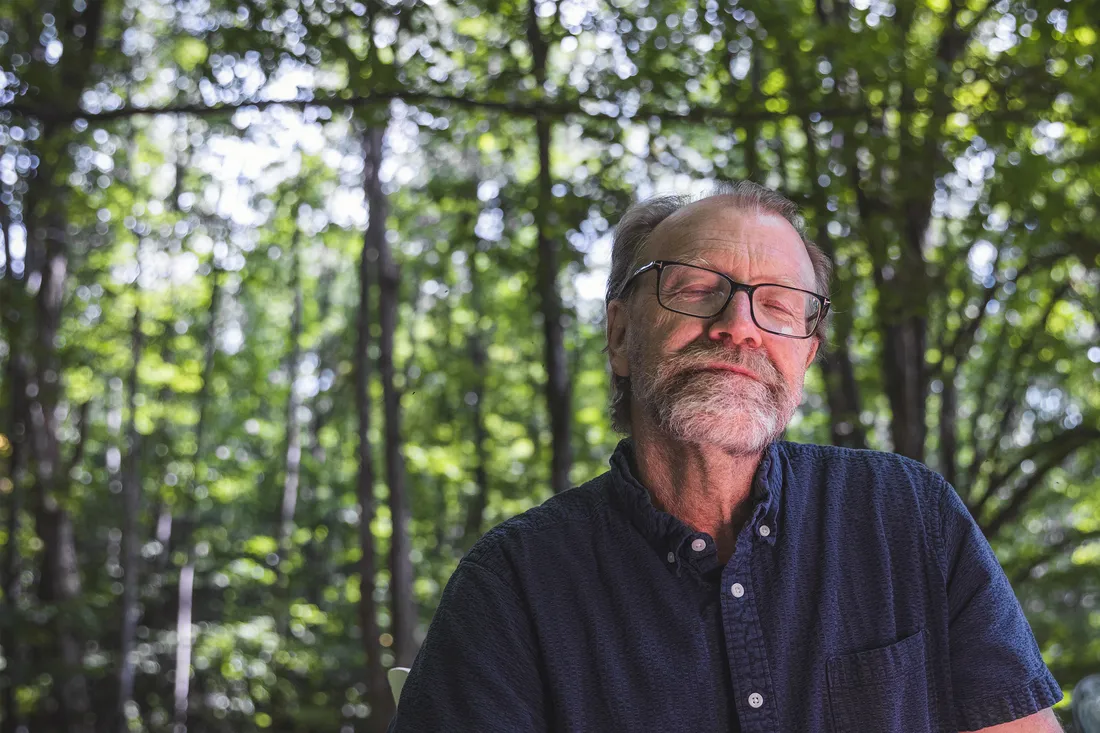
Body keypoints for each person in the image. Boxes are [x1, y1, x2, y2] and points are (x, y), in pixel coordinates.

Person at [387, 181, 1064, 732]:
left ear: (806, 354)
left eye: (778, 304)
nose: (738, 325)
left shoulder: (911, 517)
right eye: (695, 288)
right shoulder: (512, 587)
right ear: (621, 336)